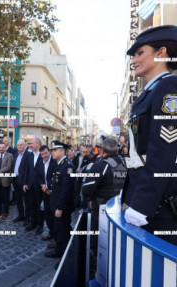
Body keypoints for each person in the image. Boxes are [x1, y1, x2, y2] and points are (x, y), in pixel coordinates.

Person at [122, 25, 177, 245]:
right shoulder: (149, 93)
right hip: (145, 196)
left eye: (140, 52)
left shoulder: (169, 86)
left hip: (158, 205)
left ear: (161, 53)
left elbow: (164, 152)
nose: (133, 59)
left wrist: (141, 205)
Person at [82, 138, 127, 275]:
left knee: (98, 241)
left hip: (101, 210)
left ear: (101, 150)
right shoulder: (127, 163)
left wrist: (90, 197)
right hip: (121, 210)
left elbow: (86, 190)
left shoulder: (101, 165)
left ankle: (95, 270)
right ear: (117, 149)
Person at [44, 141, 75, 259]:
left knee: (63, 231)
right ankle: (59, 251)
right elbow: (57, 185)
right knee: (59, 230)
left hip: (62, 206)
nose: (52, 152)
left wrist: (60, 207)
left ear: (62, 151)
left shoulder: (68, 167)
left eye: (55, 150)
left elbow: (66, 190)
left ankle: (64, 257)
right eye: (52, 150)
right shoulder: (59, 164)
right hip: (56, 203)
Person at [37, 145, 58, 247]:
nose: (44, 155)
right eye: (42, 154)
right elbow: (38, 175)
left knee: (55, 216)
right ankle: (51, 233)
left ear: (49, 152)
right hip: (45, 192)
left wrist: (49, 187)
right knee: (47, 214)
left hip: (53, 193)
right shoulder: (40, 162)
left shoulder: (54, 162)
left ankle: (57, 239)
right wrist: (42, 185)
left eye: (45, 153)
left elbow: (56, 178)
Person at [23, 137, 43, 232]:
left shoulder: (43, 155)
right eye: (29, 143)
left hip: (39, 186)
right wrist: (25, 183)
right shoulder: (29, 155)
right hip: (30, 185)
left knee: (39, 207)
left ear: (38, 144)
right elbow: (26, 170)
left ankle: (40, 225)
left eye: (32, 143)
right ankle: (33, 223)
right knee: (31, 205)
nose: (30, 145)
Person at [12, 139, 30, 224]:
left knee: (26, 201)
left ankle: (27, 218)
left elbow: (29, 170)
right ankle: (20, 215)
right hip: (15, 179)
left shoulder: (28, 155)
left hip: (23, 181)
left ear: (25, 145)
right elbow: (13, 167)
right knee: (18, 199)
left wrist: (26, 182)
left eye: (21, 145)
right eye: (18, 145)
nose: (19, 146)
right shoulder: (15, 154)